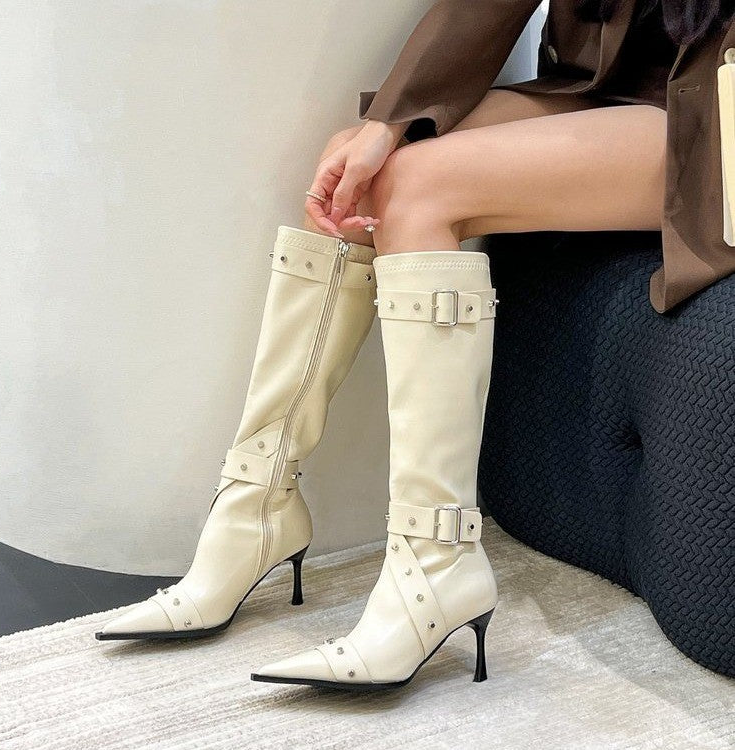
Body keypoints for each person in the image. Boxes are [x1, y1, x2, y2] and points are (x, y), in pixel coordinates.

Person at [96, 0, 735, 690]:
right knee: (355, 167)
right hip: (610, 84)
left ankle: (436, 559)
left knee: (418, 187)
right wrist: (386, 123)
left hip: (717, 112)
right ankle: (255, 505)